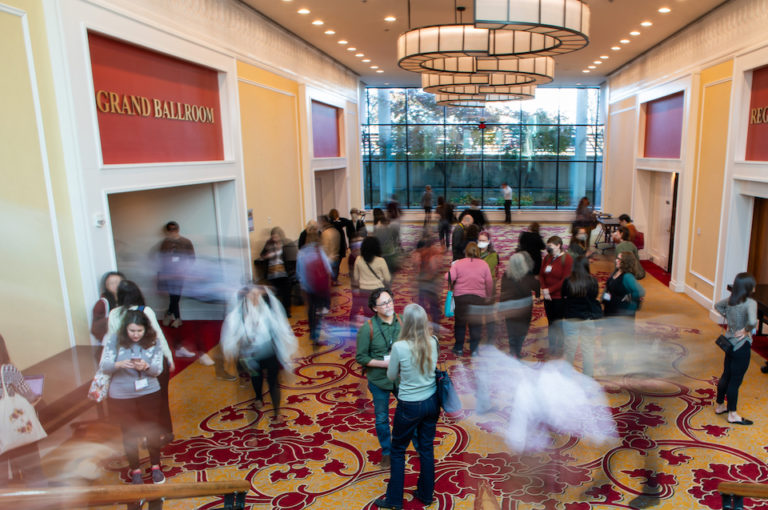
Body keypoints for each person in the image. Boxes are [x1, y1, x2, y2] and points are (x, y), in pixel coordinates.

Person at [373, 304, 439, 509]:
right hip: (431, 402)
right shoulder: (433, 341)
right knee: (427, 448)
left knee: (398, 450)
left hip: (410, 405)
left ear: (407, 323)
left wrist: (403, 371)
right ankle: (426, 494)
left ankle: (394, 500)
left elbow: (391, 376)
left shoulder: (400, 347)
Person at [100, 310, 166, 484]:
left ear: (146, 329)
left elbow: (157, 370)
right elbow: (104, 366)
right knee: (128, 432)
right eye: (132, 331)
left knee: (152, 429)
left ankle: (155, 467)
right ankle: (135, 469)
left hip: (149, 392)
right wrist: (118, 364)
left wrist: (146, 366)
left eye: (139, 331)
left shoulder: (154, 341)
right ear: (125, 330)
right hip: (121, 395)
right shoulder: (114, 341)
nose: (136, 335)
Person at [108, 280, 176, 443]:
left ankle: (142, 435)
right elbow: (158, 337)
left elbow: (112, 341)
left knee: (137, 401)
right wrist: (169, 358)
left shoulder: (114, 314)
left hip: (128, 364)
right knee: (159, 399)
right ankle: (163, 433)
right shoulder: (145, 311)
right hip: (150, 362)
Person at [220, 285, 297, 419]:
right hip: (251, 355)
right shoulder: (240, 313)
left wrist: (284, 348)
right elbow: (232, 332)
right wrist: (234, 347)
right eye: (252, 295)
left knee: (273, 382)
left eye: (257, 295)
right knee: (256, 376)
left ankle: (277, 412)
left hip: (268, 352)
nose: (255, 297)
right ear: (246, 296)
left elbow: (279, 327)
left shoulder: (267, 310)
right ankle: (259, 397)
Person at [355, 288, 401, 469]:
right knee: (382, 418)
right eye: (383, 303)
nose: (389, 305)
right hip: (379, 381)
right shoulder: (368, 329)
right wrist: (384, 364)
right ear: (374, 308)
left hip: (401, 379)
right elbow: (361, 358)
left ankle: (420, 446)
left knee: (409, 413)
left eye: (390, 301)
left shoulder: (403, 322)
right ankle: (387, 452)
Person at [0, 334, 46, 488]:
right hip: (15, 429)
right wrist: (37, 397)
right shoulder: (7, 369)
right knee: (33, 473)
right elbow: (29, 395)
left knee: (1, 481)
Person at [714, 273, 757, 426]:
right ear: (748, 287)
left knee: (726, 374)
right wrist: (746, 330)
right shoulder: (750, 303)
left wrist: (730, 321)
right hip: (741, 344)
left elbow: (717, 306)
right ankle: (732, 414)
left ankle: (720, 406)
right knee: (735, 381)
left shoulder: (731, 300)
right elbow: (752, 321)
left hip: (729, 343)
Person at [447, 242, 493, 357]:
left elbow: (448, 277)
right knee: (476, 324)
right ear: (477, 252)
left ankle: (458, 348)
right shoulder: (484, 264)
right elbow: (489, 282)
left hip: (461, 298)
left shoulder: (459, 263)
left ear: (466, 252)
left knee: (460, 324)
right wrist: (488, 295)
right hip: (478, 299)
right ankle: (474, 349)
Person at [562, 256, 602, 377]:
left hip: (571, 319)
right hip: (588, 319)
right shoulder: (593, 281)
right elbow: (595, 296)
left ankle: (567, 376)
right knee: (588, 349)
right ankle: (588, 376)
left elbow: (563, 295)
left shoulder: (568, 281)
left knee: (570, 349)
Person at [499, 252, 540, 358]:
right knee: (523, 331)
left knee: (511, 331)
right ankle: (518, 350)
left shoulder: (506, 275)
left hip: (510, 308)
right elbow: (537, 287)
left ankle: (513, 351)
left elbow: (503, 291)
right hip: (524, 309)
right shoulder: (528, 275)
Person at [296, 227, 332, 344]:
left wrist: (303, 285)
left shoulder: (301, 253)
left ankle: (313, 333)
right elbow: (328, 268)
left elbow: (299, 272)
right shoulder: (319, 251)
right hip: (320, 286)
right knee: (320, 309)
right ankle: (319, 331)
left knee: (311, 309)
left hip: (308, 287)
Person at [539, 236, 573, 358]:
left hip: (559, 297)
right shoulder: (547, 258)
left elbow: (565, 279)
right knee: (551, 322)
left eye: (550, 246)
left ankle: (560, 344)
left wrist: (550, 290)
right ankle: (552, 344)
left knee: (559, 322)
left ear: (558, 245)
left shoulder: (567, 259)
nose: (548, 248)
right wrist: (544, 289)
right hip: (548, 297)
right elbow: (541, 274)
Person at [157, 221, 195, 328]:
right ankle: (178, 319)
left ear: (178, 229)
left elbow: (192, 258)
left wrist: (186, 269)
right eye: (170, 230)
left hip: (181, 273)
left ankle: (169, 313)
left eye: (174, 229)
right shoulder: (165, 243)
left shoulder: (186, 242)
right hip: (168, 273)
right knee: (173, 295)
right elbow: (161, 257)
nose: (172, 232)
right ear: (167, 231)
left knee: (176, 295)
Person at [350, 237, 391, 325]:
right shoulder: (381, 261)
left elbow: (356, 277)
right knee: (379, 313)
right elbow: (387, 278)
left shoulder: (358, 259)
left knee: (367, 314)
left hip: (363, 291)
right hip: (378, 291)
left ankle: (370, 331)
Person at [258, 227, 292, 318]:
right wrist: (267, 254)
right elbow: (262, 255)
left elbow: (286, 259)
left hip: (283, 272)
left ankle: (286, 310)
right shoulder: (268, 245)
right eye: (273, 237)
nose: (275, 239)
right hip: (272, 273)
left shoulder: (283, 244)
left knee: (286, 291)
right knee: (273, 292)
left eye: (277, 237)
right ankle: (274, 311)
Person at [602, 252, 645, 319]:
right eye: (617, 258)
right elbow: (609, 288)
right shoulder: (616, 271)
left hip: (620, 313)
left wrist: (628, 298)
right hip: (610, 309)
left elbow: (641, 291)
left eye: (619, 259)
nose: (616, 260)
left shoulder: (627, 276)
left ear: (626, 262)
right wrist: (604, 298)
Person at [91, 271, 125, 354]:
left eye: (118, 282)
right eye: (111, 283)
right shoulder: (103, 303)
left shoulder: (128, 300)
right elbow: (95, 328)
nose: (115, 285)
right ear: (106, 286)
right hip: (112, 344)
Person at [414, 231, 443, 329]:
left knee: (421, 305)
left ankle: (420, 328)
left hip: (421, 283)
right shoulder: (435, 252)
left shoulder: (418, 252)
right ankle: (436, 330)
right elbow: (435, 267)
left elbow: (416, 266)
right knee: (434, 307)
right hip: (431, 284)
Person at [478, 231, 500, 343]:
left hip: (488, 287)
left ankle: (490, 336)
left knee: (488, 312)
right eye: (480, 240)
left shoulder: (493, 255)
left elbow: (485, 269)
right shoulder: (475, 252)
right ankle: (476, 335)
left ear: (489, 242)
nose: (481, 242)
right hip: (475, 287)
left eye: (484, 240)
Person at [319, 215, 341, 285]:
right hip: (336, 256)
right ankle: (334, 280)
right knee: (334, 273)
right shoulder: (336, 231)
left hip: (329, 258)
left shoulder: (325, 233)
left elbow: (324, 247)